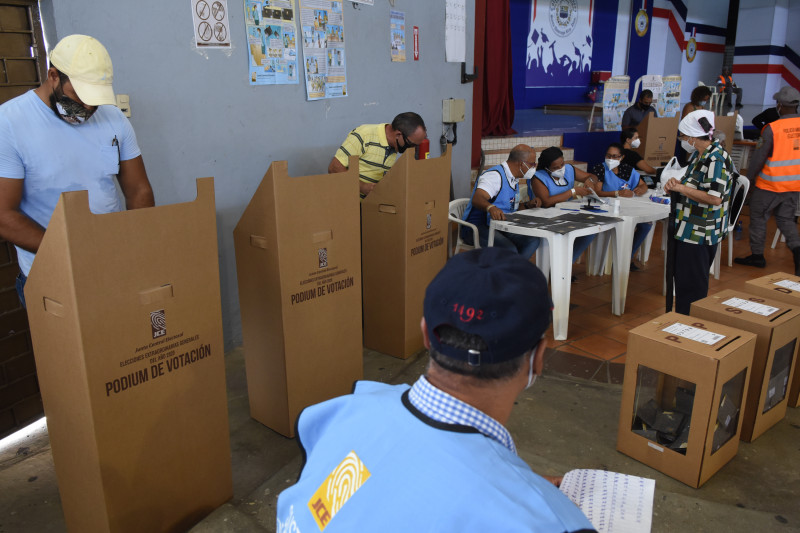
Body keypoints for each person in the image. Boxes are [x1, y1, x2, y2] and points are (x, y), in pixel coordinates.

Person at [276, 247, 596, 533]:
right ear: (538, 358)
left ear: (426, 335)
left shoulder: (342, 411)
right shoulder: (549, 522)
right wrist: (523, 493)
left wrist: (518, 482)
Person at [0, 34, 154, 308]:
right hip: (50, 274)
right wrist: (74, 253)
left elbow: (138, 190)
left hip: (112, 267)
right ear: (53, 76)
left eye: (95, 101)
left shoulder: (114, 118)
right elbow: (3, 214)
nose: (87, 108)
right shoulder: (9, 123)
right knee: (67, 351)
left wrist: (137, 245)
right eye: (79, 98)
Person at [664, 110, 734, 314]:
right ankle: (681, 320)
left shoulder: (716, 159)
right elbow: (695, 184)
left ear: (693, 138)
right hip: (688, 226)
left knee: (692, 285)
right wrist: (677, 182)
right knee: (683, 279)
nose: (682, 140)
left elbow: (714, 197)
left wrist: (681, 189)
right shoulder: (700, 155)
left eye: (684, 137)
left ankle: (690, 325)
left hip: (700, 231)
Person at [734, 86, 800, 275]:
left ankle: (757, 256)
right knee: (786, 219)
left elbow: (758, 157)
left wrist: (749, 179)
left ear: (779, 105)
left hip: (770, 183)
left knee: (758, 216)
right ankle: (797, 250)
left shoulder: (772, 128)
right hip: (794, 184)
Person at [461, 145, 541, 260]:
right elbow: (477, 199)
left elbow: (510, 207)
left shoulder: (514, 178)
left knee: (532, 241)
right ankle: (508, 273)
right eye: (532, 164)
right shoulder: (494, 176)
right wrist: (490, 208)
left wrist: (528, 205)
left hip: (502, 226)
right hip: (478, 227)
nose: (534, 167)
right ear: (521, 164)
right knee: (509, 250)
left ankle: (511, 273)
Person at [328, 112, 427, 199]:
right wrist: (361, 186)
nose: (411, 148)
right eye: (411, 144)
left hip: (372, 206)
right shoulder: (364, 135)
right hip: (348, 204)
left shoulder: (394, 145)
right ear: (398, 135)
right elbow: (334, 167)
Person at [529, 147, 598, 264]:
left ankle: (566, 265)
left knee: (590, 231)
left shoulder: (569, 169)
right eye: (556, 167)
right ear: (547, 168)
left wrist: (590, 180)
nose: (561, 169)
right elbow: (546, 202)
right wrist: (573, 192)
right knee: (567, 232)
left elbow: (591, 176)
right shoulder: (538, 177)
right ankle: (559, 267)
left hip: (567, 213)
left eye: (562, 164)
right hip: (545, 216)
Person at [590, 143, 651, 270]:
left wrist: (641, 189)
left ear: (621, 157)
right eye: (608, 155)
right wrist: (618, 193)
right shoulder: (600, 169)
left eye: (614, 156)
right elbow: (598, 192)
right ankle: (616, 259)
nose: (611, 159)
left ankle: (627, 257)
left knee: (646, 225)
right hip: (607, 208)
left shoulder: (627, 169)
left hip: (627, 207)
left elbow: (643, 185)